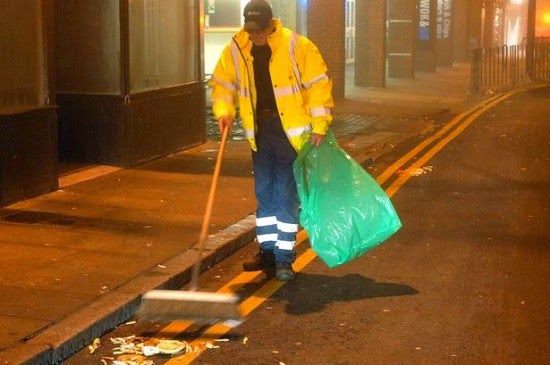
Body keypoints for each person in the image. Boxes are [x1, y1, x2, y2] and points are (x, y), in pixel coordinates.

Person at [209, 0, 334, 281]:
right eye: (250, 31)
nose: (255, 36)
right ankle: (266, 253)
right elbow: (222, 84)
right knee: (264, 194)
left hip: (290, 132)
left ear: (270, 24)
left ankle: (284, 259)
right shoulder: (237, 48)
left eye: (259, 31)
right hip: (259, 131)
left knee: (285, 196)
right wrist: (223, 110)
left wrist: (319, 124)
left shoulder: (297, 46)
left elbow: (319, 85)